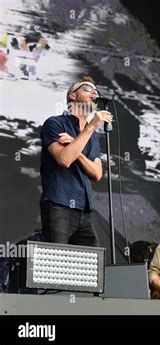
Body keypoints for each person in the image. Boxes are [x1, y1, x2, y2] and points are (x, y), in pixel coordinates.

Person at [40, 76, 112, 246]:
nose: (94, 92)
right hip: (58, 205)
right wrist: (91, 126)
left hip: (84, 209)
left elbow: (97, 173)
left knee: (91, 265)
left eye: (96, 90)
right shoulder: (54, 123)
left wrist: (74, 144)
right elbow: (64, 159)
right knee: (56, 263)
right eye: (87, 88)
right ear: (73, 96)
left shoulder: (92, 136)